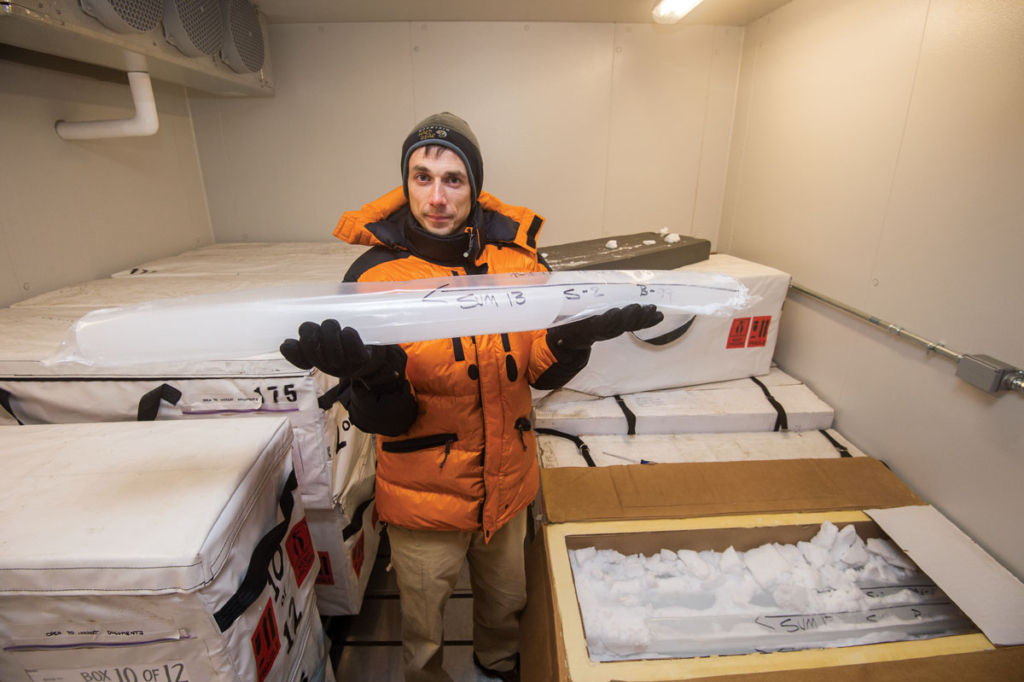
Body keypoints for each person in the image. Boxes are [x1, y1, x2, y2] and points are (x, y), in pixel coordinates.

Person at [281, 113, 661, 682]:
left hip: (508, 489)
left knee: (506, 608)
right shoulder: (374, 281)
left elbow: (534, 369)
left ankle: (497, 668)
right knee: (423, 627)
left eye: (453, 179)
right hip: (422, 500)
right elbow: (392, 417)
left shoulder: (521, 263)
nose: (437, 196)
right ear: (405, 182)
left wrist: (570, 340)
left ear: (475, 185)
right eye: (422, 177)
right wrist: (372, 379)